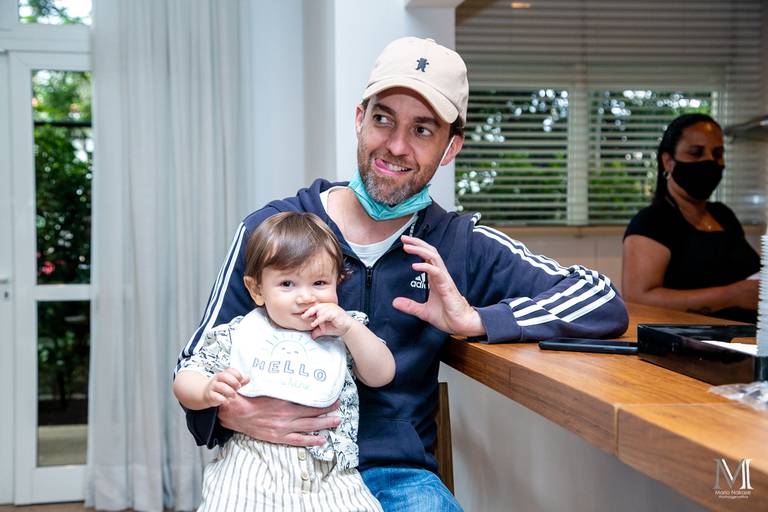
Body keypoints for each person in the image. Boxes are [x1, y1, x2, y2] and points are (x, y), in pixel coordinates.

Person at [176, 36, 628, 511]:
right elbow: (193, 365)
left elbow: (600, 297)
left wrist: (475, 320)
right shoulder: (272, 231)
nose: (395, 145)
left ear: (450, 147)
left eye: (422, 130)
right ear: (359, 119)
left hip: (397, 476)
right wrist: (235, 412)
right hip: (269, 464)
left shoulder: (459, 244)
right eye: (383, 119)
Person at [174, 212, 395, 511]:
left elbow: (382, 373)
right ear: (256, 290)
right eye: (287, 284)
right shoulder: (238, 334)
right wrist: (205, 391)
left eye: (319, 282)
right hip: (249, 469)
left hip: (330, 475)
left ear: (337, 283)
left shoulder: (344, 331)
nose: (305, 297)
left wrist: (351, 329)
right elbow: (186, 376)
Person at [623, 113, 760, 323]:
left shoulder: (724, 215)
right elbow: (638, 298)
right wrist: (732, 296)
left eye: (717, 153)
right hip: (691, 348)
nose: (710, 162)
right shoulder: (652, 222)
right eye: (696, 153)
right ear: (668, 162)